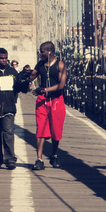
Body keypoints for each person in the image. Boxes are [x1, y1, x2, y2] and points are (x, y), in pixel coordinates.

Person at [28, 41, 67, 171]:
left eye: (42, 51)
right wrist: (22, 77)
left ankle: (54, 156)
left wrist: (44, 90)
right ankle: (39, 160)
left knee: (56, 131)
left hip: (56, 101)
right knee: (40, 129)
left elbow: (61, 85)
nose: (40, 54)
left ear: (49, 52)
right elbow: (31, 77)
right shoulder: (39, 65)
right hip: (42, 101)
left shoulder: (60, 65)